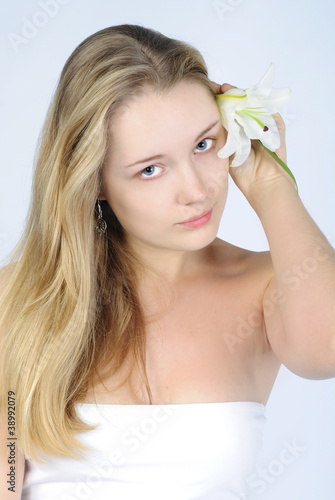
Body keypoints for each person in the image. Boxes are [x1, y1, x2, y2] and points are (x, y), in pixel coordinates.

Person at [0, 24, 334, 500]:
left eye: (203, 145)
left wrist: (272, 185)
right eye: (151, 169)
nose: (197, 192)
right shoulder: (14, 299)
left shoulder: (267, 287)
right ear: (92, 182)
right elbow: (5, 482)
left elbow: (326, 350)